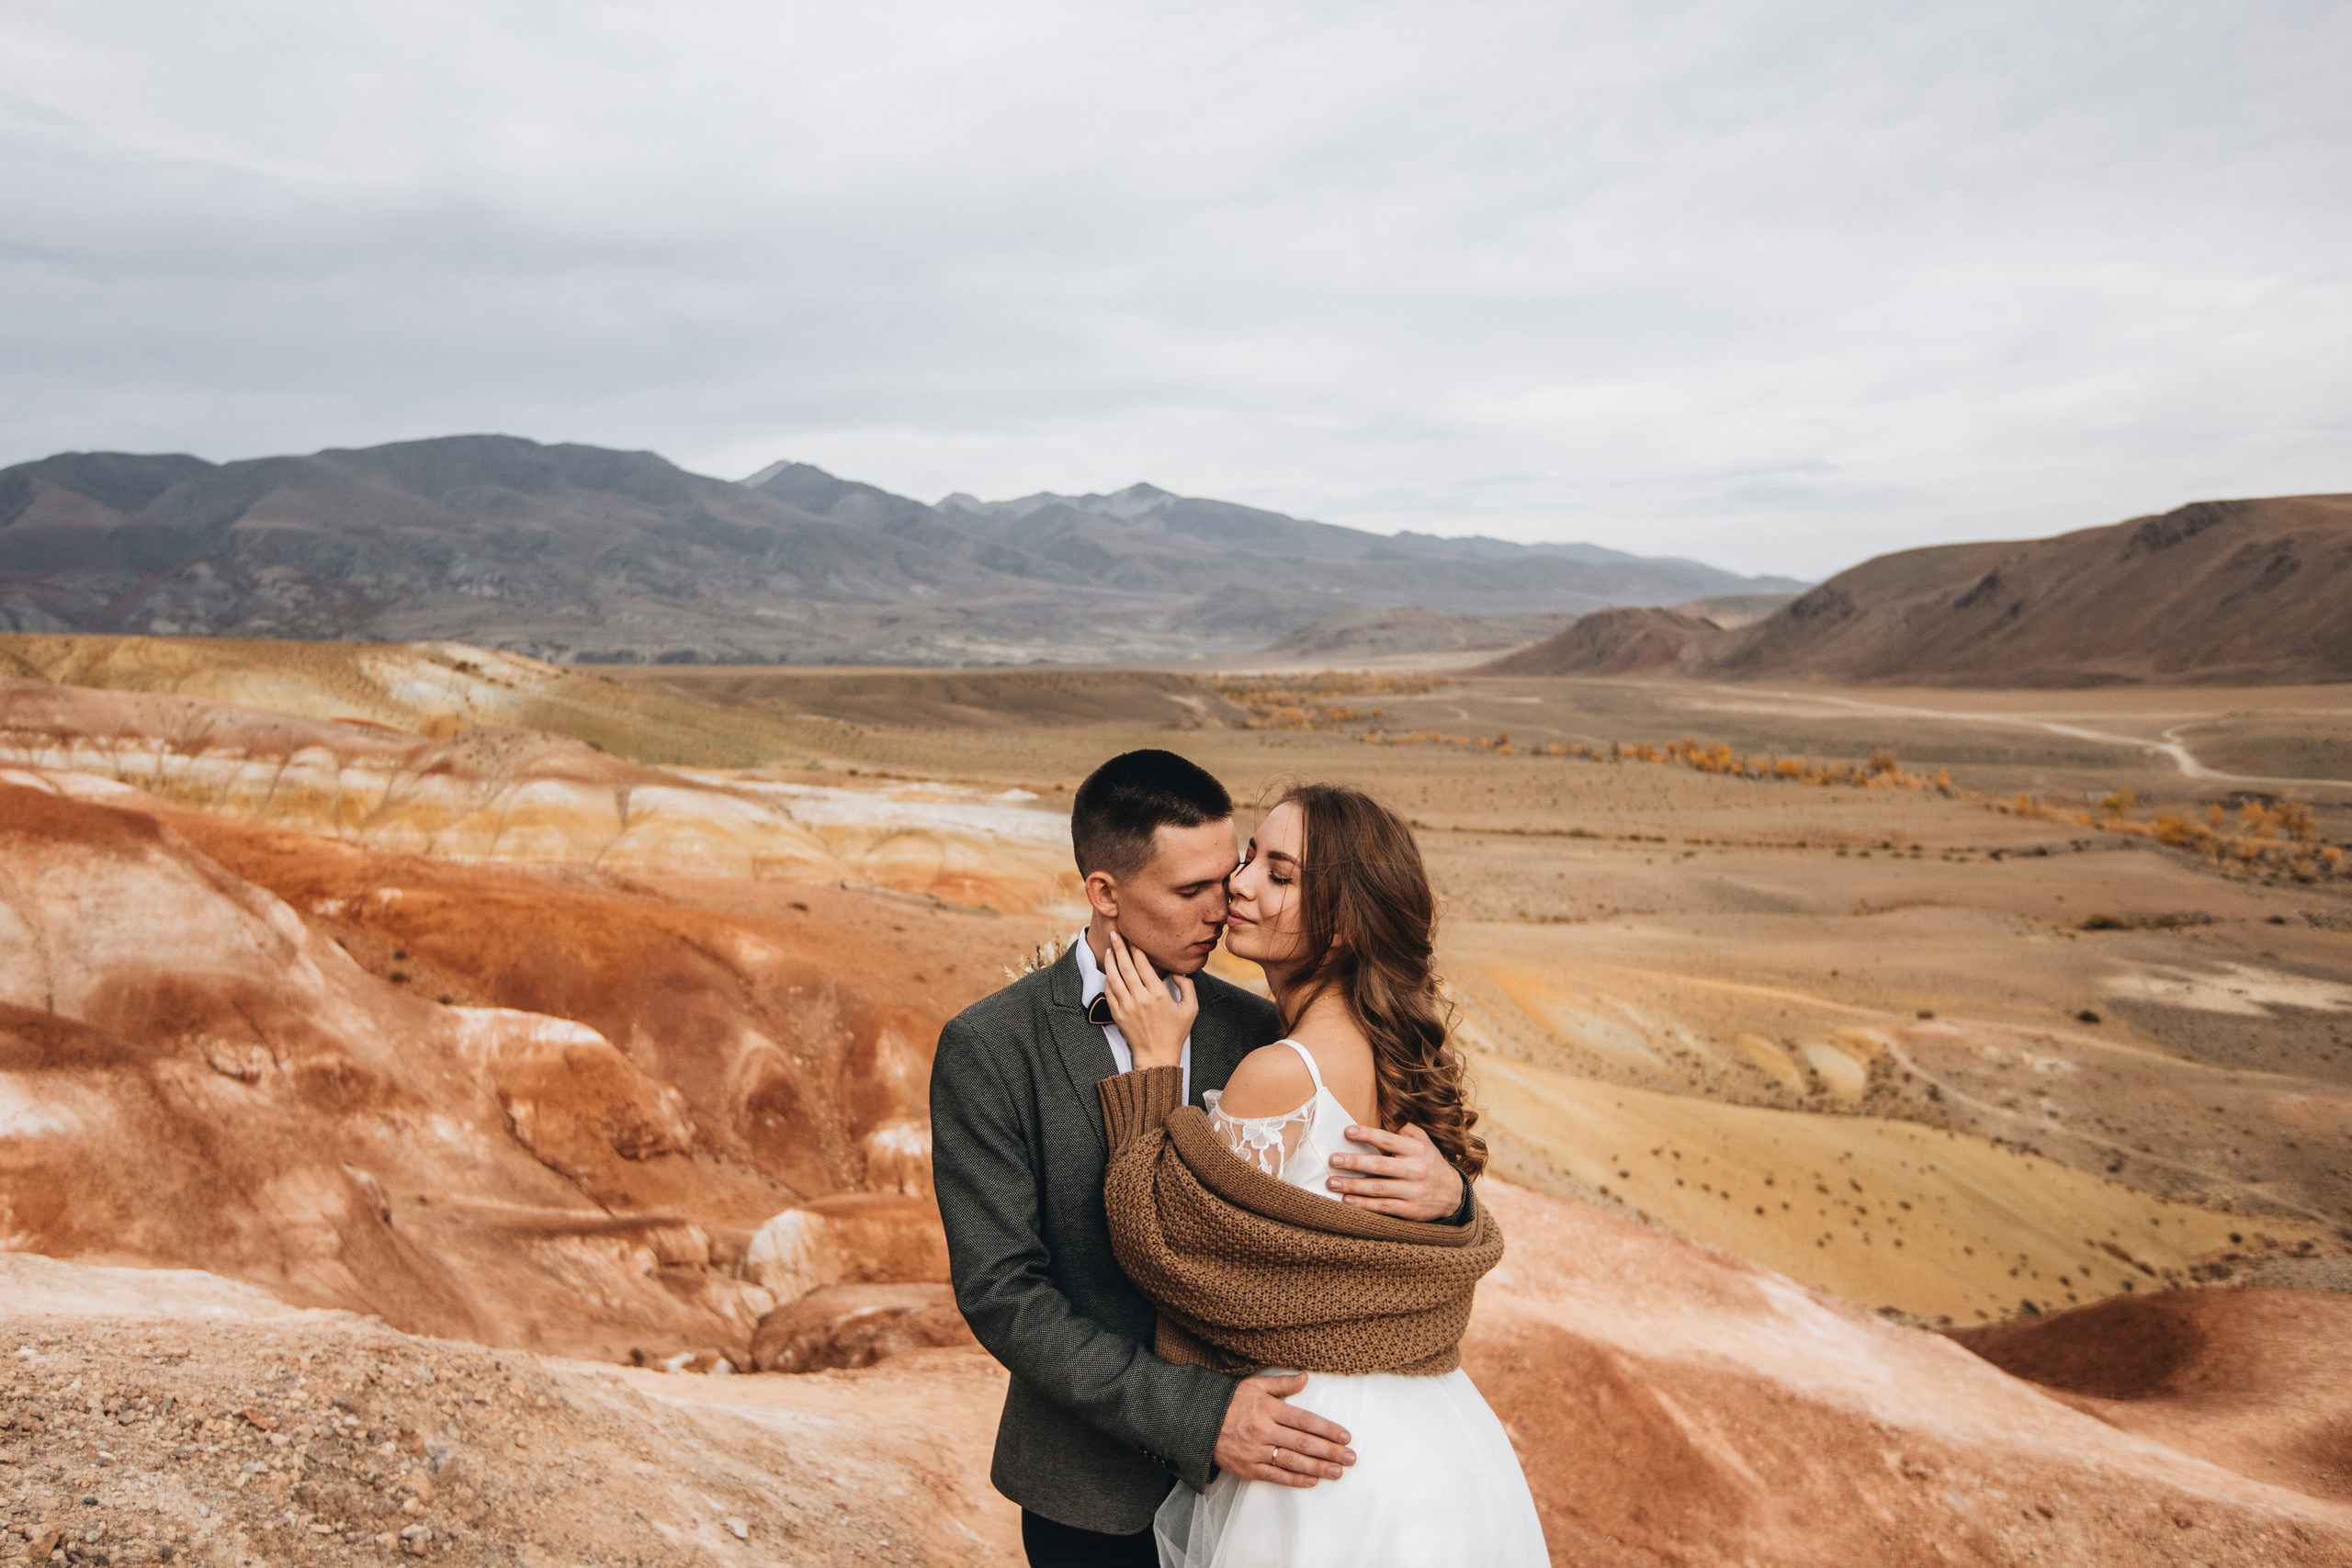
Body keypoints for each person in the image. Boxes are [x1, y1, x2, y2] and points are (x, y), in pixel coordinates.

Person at [931, 751, 1473, 1567]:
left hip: (1278, 1489)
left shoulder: (1266, 1028)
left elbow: (1345, 1210)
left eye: (1234, 874)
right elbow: (1002, 1292)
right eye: (1191, 892)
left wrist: (1454, 1196)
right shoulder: (992, 1046)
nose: (1224, 907)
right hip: (1092, 1498)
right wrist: (1198, 1412)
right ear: (1106, 892)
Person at [1098, 781, 1546, 1567]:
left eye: (1279, 873)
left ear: (1339, 926)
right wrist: (1459, 1204)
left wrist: (1155, 1067)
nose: (1238, 885)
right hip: (1432, 1431)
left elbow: (1168, 1250)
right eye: (1248, 859)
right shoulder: (1391, 1054)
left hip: (1315, 1444)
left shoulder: (1281, 1073)